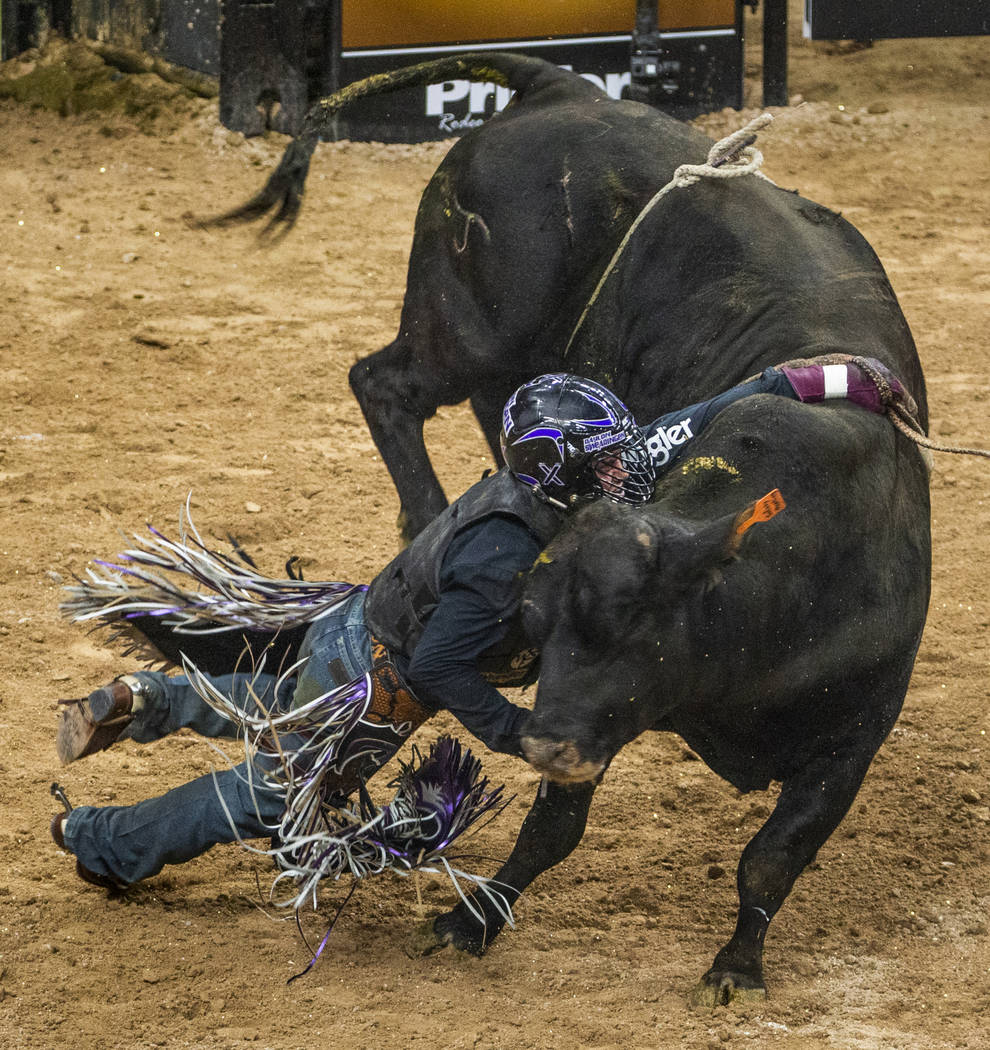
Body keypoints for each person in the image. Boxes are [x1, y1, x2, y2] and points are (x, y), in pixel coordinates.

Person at [51, 355, 908, 891]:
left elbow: (684, 425)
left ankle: (151, 700)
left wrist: (813, 381)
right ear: (570, 473)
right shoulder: (502, 562)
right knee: (274, 795)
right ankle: (101, 842)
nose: (629, 467)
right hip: (378, 677)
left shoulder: (564, 487)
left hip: (354, 630)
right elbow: (437, 668)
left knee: (278, 696)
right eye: (609, 459)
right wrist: (518, 732)